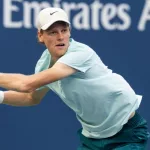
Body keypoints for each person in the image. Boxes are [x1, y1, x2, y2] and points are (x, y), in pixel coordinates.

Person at [0, 7, 149, 150]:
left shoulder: (80, 54)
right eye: (52, 32)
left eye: (64, 30)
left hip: (128, 133)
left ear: (69, 32)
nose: (60, 37)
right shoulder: (43, 65)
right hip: (92, 139)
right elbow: (31, 98)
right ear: (40, 36)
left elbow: (26, 84)